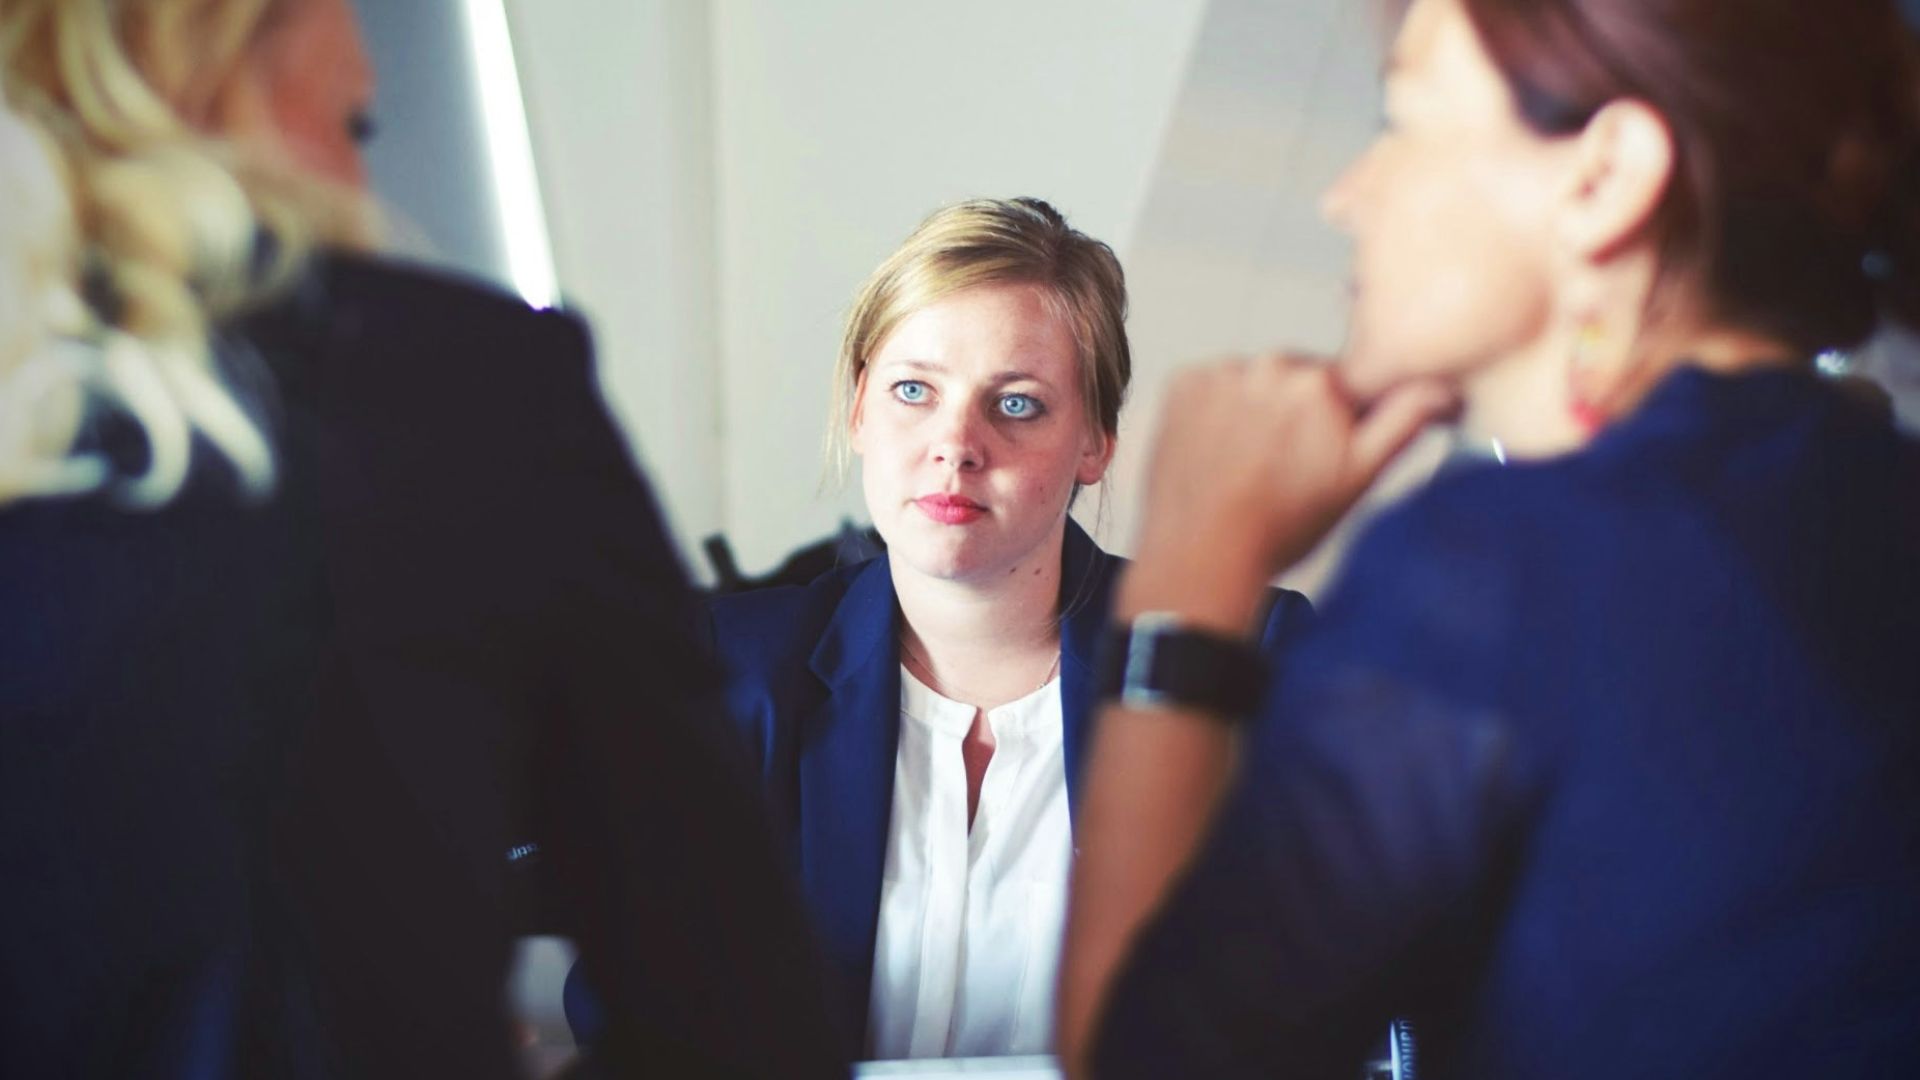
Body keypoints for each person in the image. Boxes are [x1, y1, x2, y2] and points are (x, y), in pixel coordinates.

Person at [1056, 0, 1920, 1077]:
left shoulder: (1506, 566)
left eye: (1402, 124)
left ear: (1604, 180)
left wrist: (1191, 565)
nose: (1345, 197)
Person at [0, 1, 846, 1076]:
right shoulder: (459, 392)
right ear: (208, 53)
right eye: (356, 130)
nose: (359, 189)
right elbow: (738, 1017)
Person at [566, 197, 1310, 1061]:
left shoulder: (1242, 658)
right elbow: (630, 1024)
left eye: (1019, 405)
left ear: (1096, 442)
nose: (955, 445)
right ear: (858, 410)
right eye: (913, 391)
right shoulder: (723, 670)